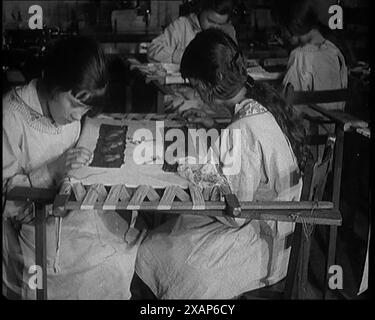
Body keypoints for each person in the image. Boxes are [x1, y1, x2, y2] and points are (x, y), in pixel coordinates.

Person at [133, 29, 310, 299]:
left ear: (212, 81)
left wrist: (193, 169)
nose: (195, 90)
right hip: (279, 233)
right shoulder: (260, 107)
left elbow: (232, 212)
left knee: (154, 249)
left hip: (262, 251)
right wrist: (213, 131)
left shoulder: (242, 129)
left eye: (194, 84)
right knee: (176, 229)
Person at [2, 36, 144, 299]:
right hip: (30, 227)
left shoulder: (66, 110)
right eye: (77, 105)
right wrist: (51, 171)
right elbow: (6, 201)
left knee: (126, 246)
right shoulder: (11, 116)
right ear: (55, 84)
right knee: (108, 264)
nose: (78, 117)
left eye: (86, 108)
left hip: (68, 209)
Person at [272, 0, 348, 115]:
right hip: (334, 125)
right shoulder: (335, 52)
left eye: (283, 29)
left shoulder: (300, 55)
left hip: (308, 127)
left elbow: (287, 105)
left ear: (293, 26)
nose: (283, 35)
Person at [147, 0, 237, 64]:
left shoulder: (228, 30)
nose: (215, 27)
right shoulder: (182, 26)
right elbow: (152, 50)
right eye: (211, 21)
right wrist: (185, 57)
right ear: (201, 10)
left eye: (220, 24)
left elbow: (235, 60)